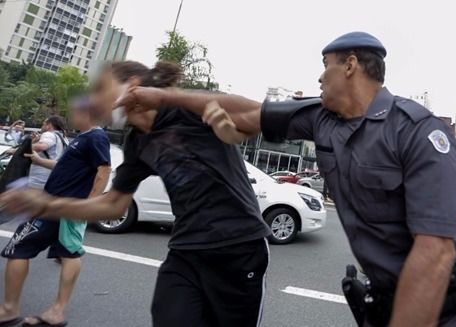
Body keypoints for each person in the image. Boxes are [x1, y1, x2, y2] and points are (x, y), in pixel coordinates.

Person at [111, 32, 456, 326]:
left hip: (443, 312)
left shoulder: (415, 130)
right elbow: (247, 113)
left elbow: (434, 253)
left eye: (326, 65)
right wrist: (164, 96)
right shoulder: (321, 118)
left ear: (351, 64)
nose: (319, 76)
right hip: (385, 305)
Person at [0, 61, 271, 327]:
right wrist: (45, 205)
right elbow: (114, 204)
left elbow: (257, 114)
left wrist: (165, 96)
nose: (93, 99)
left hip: (239, 246)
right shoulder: (137, 141)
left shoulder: (186, 108)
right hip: (185, 251)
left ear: (131, 86)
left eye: (100, 88)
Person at [0, 99, 111, 327]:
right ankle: (56, 311)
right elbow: (63, 166)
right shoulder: (82, 137)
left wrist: (89, 205)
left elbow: (104, 170)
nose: (71, 117)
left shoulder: (95, 136)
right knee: (69, 252)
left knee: (17, 249)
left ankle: (10, 309)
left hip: (59, 206)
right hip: (58, 206)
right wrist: (39, 160)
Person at [27, 116, 68, 189]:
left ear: (49, 125)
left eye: (43, 124)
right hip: (53, 175)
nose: (42, 126)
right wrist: (34, 141)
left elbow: (41, 147)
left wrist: (20, 149)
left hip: (39, 177)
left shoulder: (48, 134)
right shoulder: (64, 138)